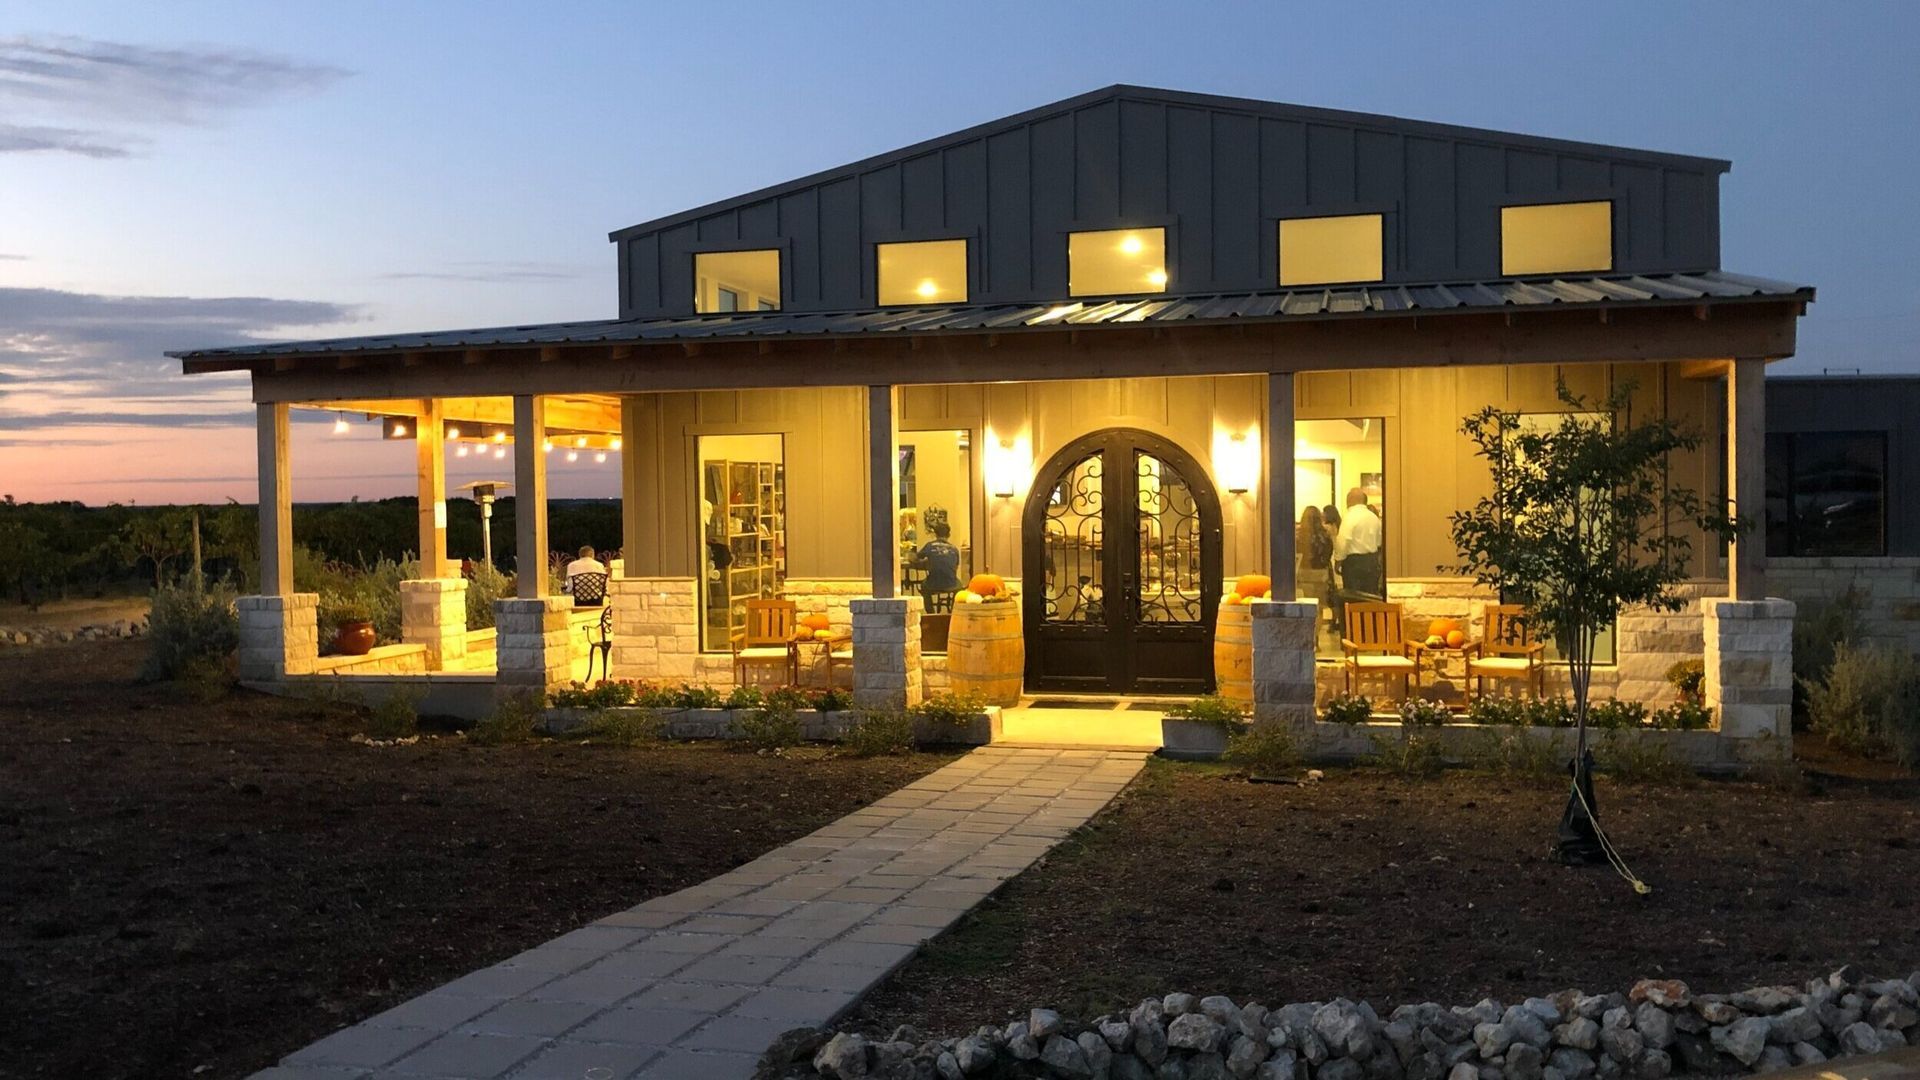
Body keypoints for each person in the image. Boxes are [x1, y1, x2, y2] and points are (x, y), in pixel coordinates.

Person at [1334, 487, 1384, 600]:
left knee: (1353, 598)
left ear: (1350, 500)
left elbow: (1343, 541)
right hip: (1372, 561)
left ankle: (1353, 617)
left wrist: (1338, 562)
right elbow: (1379, 541)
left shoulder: (1350, 516)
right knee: (1370, 598)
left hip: (1354, 564)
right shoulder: (1374, 518)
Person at [909, 522, 963, 602]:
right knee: (959, 586)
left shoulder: (930, 546)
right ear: (949, 535)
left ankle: (930, 612)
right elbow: (955, 567)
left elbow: (914, 558)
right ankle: (952, 609)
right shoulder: (954, 549)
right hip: (951, 584)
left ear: (935, 534)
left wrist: (924, 562)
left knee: (924, 586)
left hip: (933, 583)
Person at [1295, 506, 1333, 611]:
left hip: (1303, 576)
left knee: (1304, 608)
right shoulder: (1325, 536)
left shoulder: (1298, 536)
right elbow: (1328, 555)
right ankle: (1318, 626)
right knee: (1320, 608)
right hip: (1321, 576)